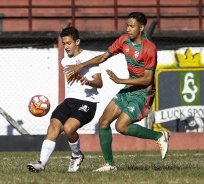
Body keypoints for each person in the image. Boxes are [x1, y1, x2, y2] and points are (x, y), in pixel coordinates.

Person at [64, 12, 170, 172]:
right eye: (127, 25)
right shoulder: (123, 40)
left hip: (143, 92)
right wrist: (80, 66)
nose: (128, 28)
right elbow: (103, 57)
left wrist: (121, 81)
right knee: (104, 122)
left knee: (121, 126)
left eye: (132, 26)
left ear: (141, 28)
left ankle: (159, 136)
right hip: (129, 88)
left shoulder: (150, 49)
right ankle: (109, 164)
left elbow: (147, 79)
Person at [27, 27, 103, 173]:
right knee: (54, 125)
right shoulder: (64, 61)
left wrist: (87, 81)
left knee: (68, 128)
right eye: (64, 43)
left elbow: (99, 83)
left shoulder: (90, 57)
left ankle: (76, 155)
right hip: (69, 101)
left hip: (88, 102)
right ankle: (41, 163)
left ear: (77, 41)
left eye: (69, 43)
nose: (66, 46)